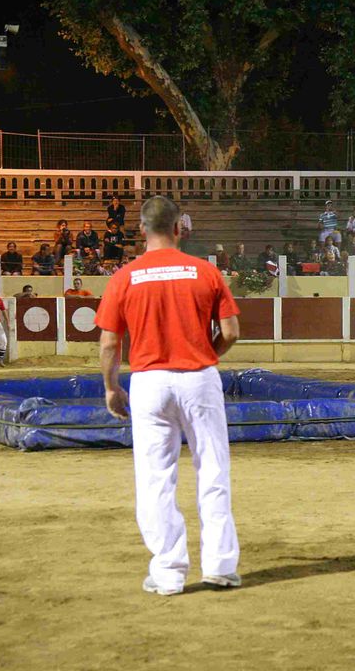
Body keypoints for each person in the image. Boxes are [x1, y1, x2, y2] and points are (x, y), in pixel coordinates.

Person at [95, 195, 241, 597]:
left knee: (156, 478)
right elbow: (230, 333)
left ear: (141, 230)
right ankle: (220, 567)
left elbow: (109, 344)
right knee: (212, 469)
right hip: (199, 379)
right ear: (180, 228)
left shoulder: (125, 276)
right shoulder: (206, 272)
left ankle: (168, 573)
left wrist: (111, 387)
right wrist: (206, 355)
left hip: (148, 383)